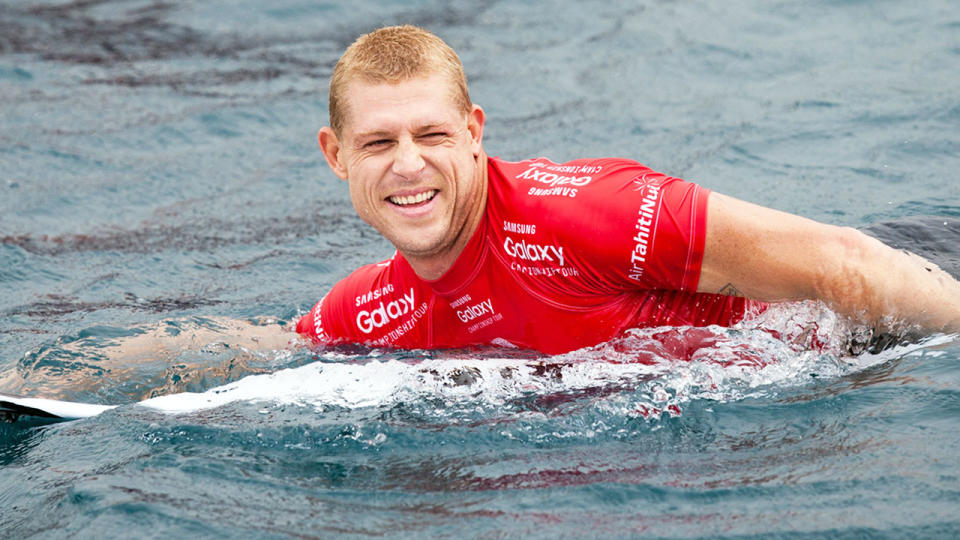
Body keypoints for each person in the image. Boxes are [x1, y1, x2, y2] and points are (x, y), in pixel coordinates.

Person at [295, 25, 960, 355]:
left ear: (474, 133)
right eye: (379, 143)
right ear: (337, 156)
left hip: (915, 289)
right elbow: (271, 351)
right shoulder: (374, 308)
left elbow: (846, 265)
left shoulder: (582, 214)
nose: (408, 166)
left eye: (431, 135)